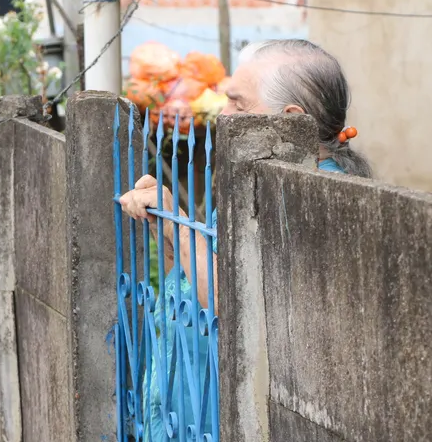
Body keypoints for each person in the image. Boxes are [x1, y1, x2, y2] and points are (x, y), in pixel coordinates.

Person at [118, 39, 372, 440]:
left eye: (239, 103)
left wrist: (178, 230)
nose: (224, 114)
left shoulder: (318, 204)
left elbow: (239, 310)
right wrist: (165, 229)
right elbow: (196, 282)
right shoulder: (264, 184)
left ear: (290, 121)